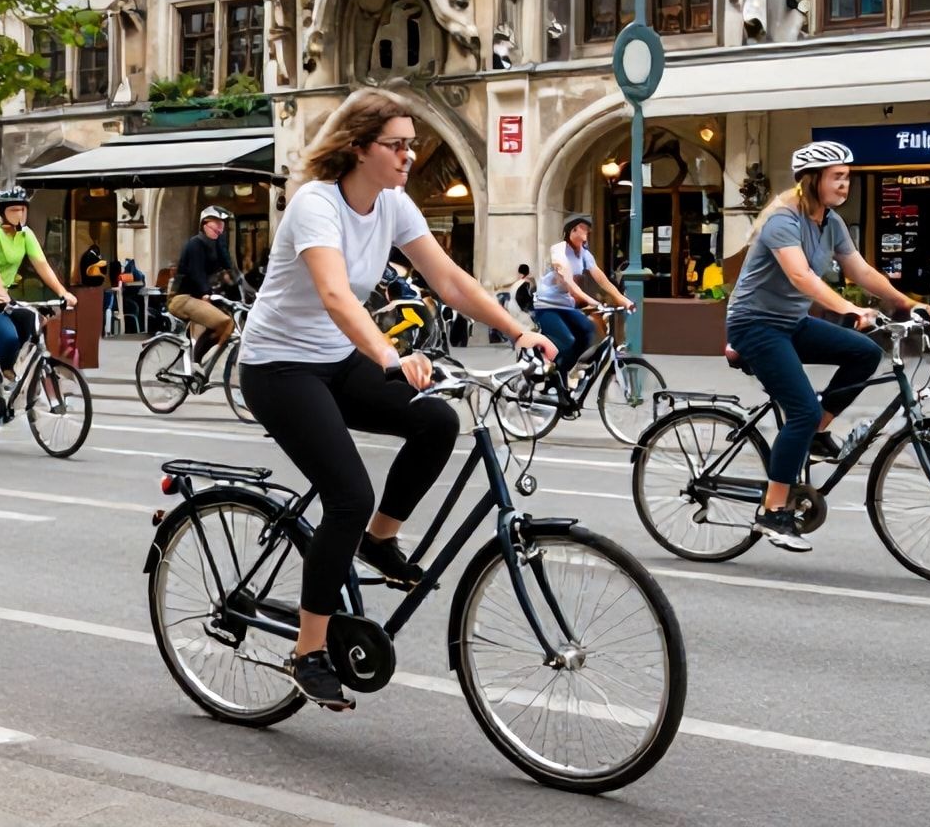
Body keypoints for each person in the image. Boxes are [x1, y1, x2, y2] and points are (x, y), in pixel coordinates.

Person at [237, 88, 554, 710]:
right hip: (278, 369)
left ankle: (378, 542)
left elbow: (450, 279)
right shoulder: (314, 204)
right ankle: (308, 651)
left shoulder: (392, 205)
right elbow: (334, 294)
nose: (410, 155)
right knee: (348, 494)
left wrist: (521, 330)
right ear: (359, 148)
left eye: (412, 145)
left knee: (436, 421)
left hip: (334, 360)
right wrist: (389, 356)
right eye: (397, 145)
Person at [726, 140, 930, 552]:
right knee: (800, 410)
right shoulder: (782, 222)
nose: (845, 185)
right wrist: (848, 308)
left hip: (790, 323)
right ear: (812, 180)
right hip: (755, 325)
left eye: (847, 178)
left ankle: (816, 432)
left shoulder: (831, 222)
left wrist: (905, 302)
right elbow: (801, 277)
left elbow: (859, 269)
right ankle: (773, 512)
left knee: (864, 353)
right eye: (837, 178)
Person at [0, 187, 77, 408]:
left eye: (23, 210)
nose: (20, 214)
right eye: (14, 210)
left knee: (29, 324)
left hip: (2, 297)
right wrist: (1, 294)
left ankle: (7, 370)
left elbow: (43, 266)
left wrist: (63, 292)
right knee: (9, 336)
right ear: (3, 212)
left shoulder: (26, 235)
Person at [532, 214, 634, 398]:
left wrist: (622, 299)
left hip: (566, 306)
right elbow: (567, 279)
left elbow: (601, 278)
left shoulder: (584, 254)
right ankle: (550, 372)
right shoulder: (559, 250)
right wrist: (590, 300)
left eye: (588, 228)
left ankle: (560, 375)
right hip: (546, 306)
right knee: (568, 340)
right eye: (583, 228)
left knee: (587, 330)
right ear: (573, 230)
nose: (587, 231)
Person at [168, 207, 241, 370]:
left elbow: (228, 266)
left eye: (222, 225)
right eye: (216, 224)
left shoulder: (214, 246)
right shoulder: (195, 244)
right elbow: (196, 272)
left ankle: (196, 362)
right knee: (224, 322)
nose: (219, 228)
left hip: (198, 298)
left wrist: (222, 244)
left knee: (228, 323)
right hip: (182, 297)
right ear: (204, 224)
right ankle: (197, 362)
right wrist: (206, 293)